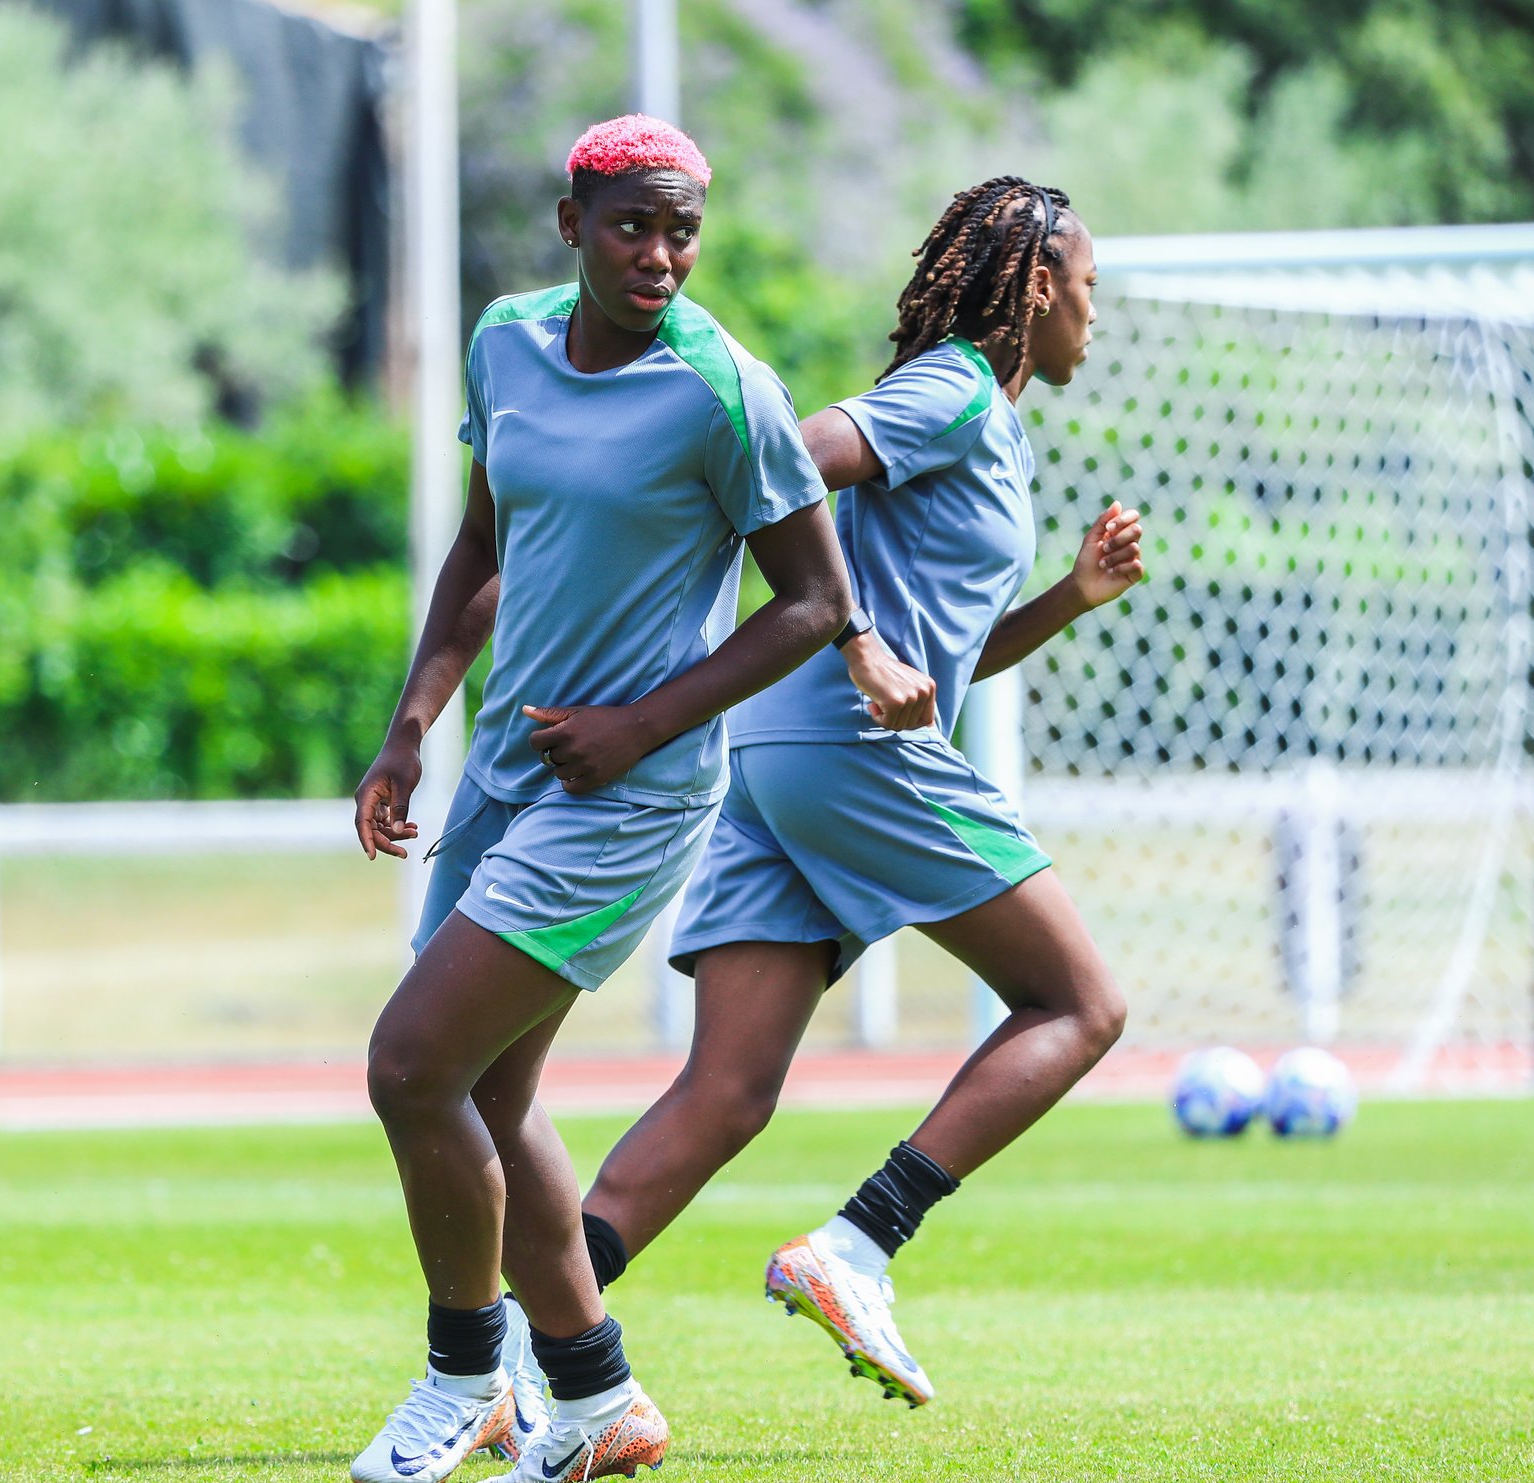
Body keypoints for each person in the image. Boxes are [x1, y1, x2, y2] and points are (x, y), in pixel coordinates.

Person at [571, 177, 1143, 1408]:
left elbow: (951, 655)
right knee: (1078, 1004)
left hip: (777, 751)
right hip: (842, 740)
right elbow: (782, 460)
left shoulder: (989, 422)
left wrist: (1070, 600)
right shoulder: (946, 390)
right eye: (1090, 290)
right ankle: (857, 1244)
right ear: (1037, 288)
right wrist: (852, 644)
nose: (1097, 317)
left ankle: (524, 1350)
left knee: (724, 1092)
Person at [346, 116, 851, 1483]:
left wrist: (641, 724)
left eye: (684, 229)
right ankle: (595, 1397)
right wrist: (410, 732)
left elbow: (815, 601)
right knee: (493, 1098)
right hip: (512, 768)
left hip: (632, 792)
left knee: (411, 1064)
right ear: (572, 222)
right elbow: (481, 544)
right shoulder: (506, 339)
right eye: (633, 225)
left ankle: (470, 1373)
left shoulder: (724, 389)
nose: (662, 254)